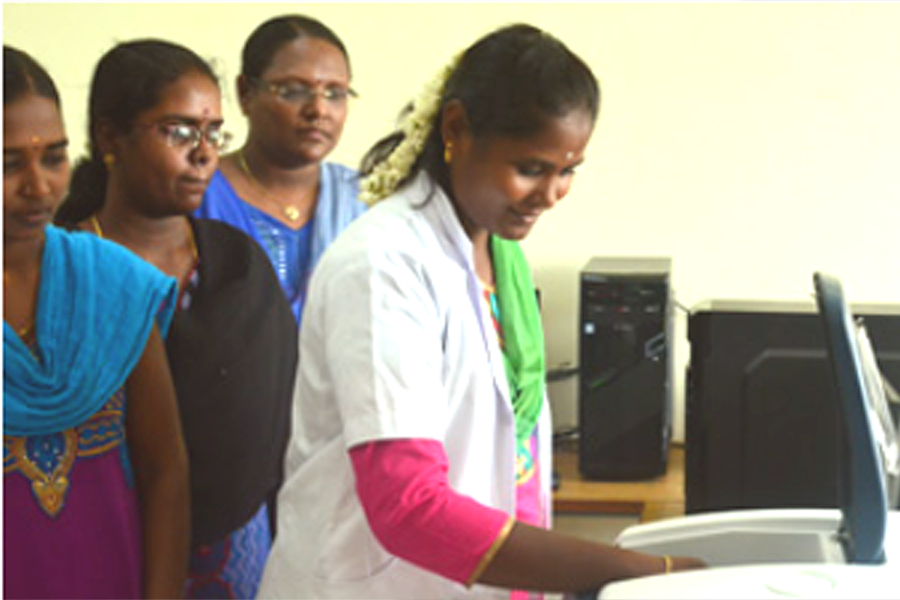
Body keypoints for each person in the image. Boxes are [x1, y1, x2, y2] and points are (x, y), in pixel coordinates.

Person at [257, 24, 706, 600]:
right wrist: (643, 571)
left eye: (568, 170)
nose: (551, 194)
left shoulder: (500, 259)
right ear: (455, 130)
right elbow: (408, 507)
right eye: (531, 168)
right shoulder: (383, 266)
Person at [53, 39, 298, 599]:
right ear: (110, 137)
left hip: (236, 557)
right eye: (179, 132)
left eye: (213, 133)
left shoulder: (238, 266)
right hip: (95, 543)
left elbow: (279, 423)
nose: (204, 153)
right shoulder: (64, 271)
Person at [3, 45, 189, 599]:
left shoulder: (111, 284)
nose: (39, 186)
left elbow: (164, 468)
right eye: (9, 164)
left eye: (53, 157)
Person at [194, 14, 367, 326]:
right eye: (294, 91)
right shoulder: (197, 192)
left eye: (335, 94)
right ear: (246, 93)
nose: (318, 110)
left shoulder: (363, 200)